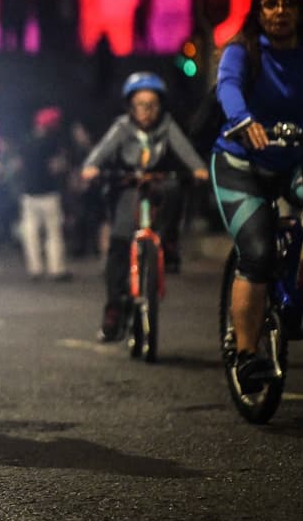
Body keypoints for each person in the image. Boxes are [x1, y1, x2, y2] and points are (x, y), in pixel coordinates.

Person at [209, 0, 303, 394]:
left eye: (288, 3)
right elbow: (228, 86)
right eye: (271, 4)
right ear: (259, 13)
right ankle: (246, 354)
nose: (280, 11)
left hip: (294, 162)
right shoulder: (243, 51)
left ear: (301, 11)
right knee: (257, 253)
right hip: (241, 164)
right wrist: (243, 121)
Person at [81, 72, 208, 341]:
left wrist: (198, 169)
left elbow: (185, 151)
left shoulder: (167, 126)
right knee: (119, 242)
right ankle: (114, 309)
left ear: (160, 106)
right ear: (130, 106)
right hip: (128, 185)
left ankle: (169, 244)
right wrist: (91, 167)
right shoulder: (122, 127)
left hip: (157, 184)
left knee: (174, 189)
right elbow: (100, 153)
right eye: (140, 104)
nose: (146, 111)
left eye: (152, 105)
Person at [17, 106, 71, 282]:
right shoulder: (52, 143)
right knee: (53, 233)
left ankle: (35, 269)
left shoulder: (26, 142)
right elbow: (57, 166)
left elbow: (19, 166)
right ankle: (56, 269)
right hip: (49, 193)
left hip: (28, 193)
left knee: (30, 232)